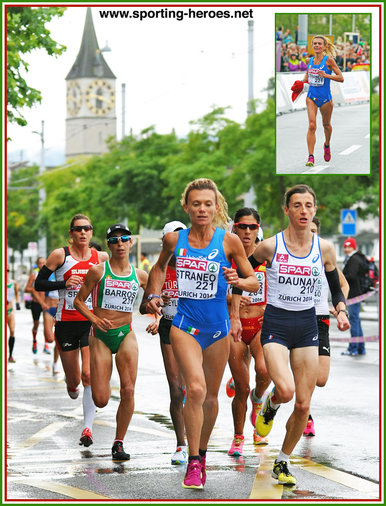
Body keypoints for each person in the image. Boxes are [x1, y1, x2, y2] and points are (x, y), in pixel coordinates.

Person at [143, 178, 259, 489]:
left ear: (216, 206)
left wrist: (237, 279)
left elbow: (254, 282)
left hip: (218, 329)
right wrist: (154, 293)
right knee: (193, 389)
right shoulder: (173, 240)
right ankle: (193, 461)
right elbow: (158, 268)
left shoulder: (229, 242)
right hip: (185, 326)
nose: (202, 209)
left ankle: (203, 453)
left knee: (209, 396)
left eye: (208, 204)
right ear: (186, 207)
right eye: (196, 204)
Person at [251, 184, 349, 485]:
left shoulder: (325, 248)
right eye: (297, 205)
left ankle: (282, 461)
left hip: (308, 326)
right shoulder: (269, 246)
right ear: (287, 210)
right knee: (287, 389)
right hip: (277, 325)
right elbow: (247, 270)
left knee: (304, 404)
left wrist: (342, 310)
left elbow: (335, 285)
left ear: (314, 210)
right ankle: (271, 404)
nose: (303, 210)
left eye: (308, 205)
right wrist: (240, 290)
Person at [74, 223, 148, 460]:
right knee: (101, 399)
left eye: (124, 239)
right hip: (100, 337)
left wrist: (156, 312)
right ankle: (95, 406)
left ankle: (119, 443)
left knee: (128, 389)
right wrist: (95, 320)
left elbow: (151, 301)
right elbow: (78, 301)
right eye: (114, 240)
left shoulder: (140, 275)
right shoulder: (98, 271)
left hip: (125, 333)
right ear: (109, 244)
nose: (120, 244)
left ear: (131, 242)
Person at [35, 214, 108, 447]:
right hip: (65, 323)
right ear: (71, 233)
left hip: (89, 321)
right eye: (78, 229)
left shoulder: (100, 257)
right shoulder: (60, 255)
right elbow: (39, 284)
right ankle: (70, 384)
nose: (83, 233)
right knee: (75, 380)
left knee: (88, 375)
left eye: (87, 228)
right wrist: (63, 284)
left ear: (92, 232)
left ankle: (87, 429)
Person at [140, 220, 188, 465]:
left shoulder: (195, 265)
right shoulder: (158, 270)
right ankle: (181, 445)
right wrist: (156, 305)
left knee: (197, 389)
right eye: (172, 239)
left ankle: (198, 442)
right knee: (175, 389)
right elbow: (143, 306)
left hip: (195, 329)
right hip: (169, 327)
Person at [225, 208, 271, 457]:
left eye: (252, 227)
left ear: (258, 229)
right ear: (235, 227)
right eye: (242, 226)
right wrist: (228, 299)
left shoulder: (267, 256)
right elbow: (212, 291)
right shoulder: (227, 255)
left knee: (264, 371)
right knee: (241, 387)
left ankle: (258, 398)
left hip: (261, 324)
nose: (247, 231)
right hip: (235, 328)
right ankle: (239, 436)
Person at [303, 217, 349, 437]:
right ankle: (306, 415)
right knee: (304, 372)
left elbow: (343, 284)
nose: (309, 234)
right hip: (297, 317)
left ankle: (295, 392)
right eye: (306, 229)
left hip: (321, 318)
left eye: (314, 231)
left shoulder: (323, 255)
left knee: (320, 379)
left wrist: (339, 308)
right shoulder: (290, 253)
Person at [301, 35, 344, 167]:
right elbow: (307, 76)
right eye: (315, 44)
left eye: (320, 44)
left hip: (325, 99)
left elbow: (341, 78)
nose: (317, 46)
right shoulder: (309, 60)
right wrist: (300, 84)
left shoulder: (329, 61)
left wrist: (326, 75)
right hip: (311, 97)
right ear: (312, 46)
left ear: (324, 46)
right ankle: (311, 157)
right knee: (312, 125)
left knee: (326, 125)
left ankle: (327, 144)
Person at [342, 237, 366, 356]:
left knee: (353, 321)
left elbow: (351, 276)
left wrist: (340, 276)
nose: (347, 249)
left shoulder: (354, 259)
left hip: (353, 294)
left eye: (349, 247)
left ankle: (353, 348)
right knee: (356, 320)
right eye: (345, 247)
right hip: (357, 294)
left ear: (354, 247)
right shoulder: (356, 258)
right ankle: (361, 347)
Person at [24, 257, 51, 354]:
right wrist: (34, 289)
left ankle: (46, 345)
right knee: (36, 324)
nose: (42, 265)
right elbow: (26, 289)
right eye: (40, 263)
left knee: (46, 325)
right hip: (36, 303)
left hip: (46, 304)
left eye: (44, 263)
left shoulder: (50, 276)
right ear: (37, 264)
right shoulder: (34, 276)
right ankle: (34, 341)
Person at [7, 264, 21, 363]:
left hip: (10, 310)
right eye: (5, 270)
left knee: (12, 331)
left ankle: (10, 355)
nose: (6, 272)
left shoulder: (13, 283)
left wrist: (17, 302)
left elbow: (17, 293)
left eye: (8, 270)